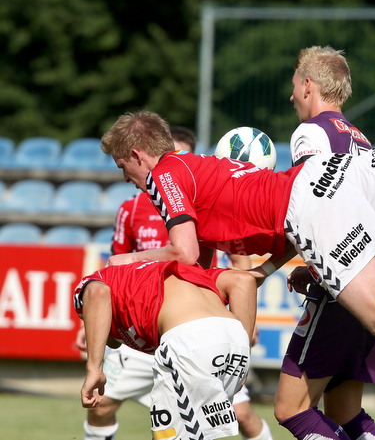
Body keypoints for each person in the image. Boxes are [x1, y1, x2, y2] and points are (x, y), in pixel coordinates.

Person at [100, 3, 375, 424]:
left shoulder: (169, 171)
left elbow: (185, 251)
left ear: (137, 154)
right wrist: (268, 272)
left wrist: (125, 261)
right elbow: (205, 262)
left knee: (368, 324)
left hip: (310, 197)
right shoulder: (338, 137)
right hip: (340, 179)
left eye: (124, 167)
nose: (126, 178)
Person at [79, 125, 272, 440]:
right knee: (101, 405)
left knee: (238, 415)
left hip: (192, 326)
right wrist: (90, 326)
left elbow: (237, 265)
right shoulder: (131, 209)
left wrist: (244, 323)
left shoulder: (197, 193)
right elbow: (113, 276)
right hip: (144, 326)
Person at [274, 45, 375, 440]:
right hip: (374, 284)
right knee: (345, 411)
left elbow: (313, 211)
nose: (291, 95)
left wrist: (271, 269)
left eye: (294, 85)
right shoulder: (364, 143)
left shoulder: (311, 133)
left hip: (340, 290)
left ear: (308, 86)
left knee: (291, 409)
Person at [74, 260, 257, 440]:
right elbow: (243, 280)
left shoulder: (100, 280)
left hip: (189, 338)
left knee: (169, 436)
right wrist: (243, 353)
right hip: (235, 337)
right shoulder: (181, 272)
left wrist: (94, 370)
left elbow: (96, 292)